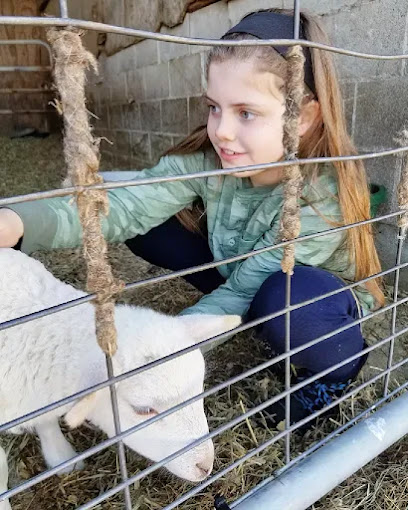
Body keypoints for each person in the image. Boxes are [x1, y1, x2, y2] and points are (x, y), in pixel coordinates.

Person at [0, 8, 384, 429]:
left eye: (246, 112)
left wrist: (155, 354)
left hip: (304, 297)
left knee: (287, 302)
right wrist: (17, 221)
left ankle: (333, 371)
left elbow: (248, 287)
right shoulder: (211, 159)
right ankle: (257, 324)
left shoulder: (320, 195)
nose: (220, 130)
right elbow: (128, 203)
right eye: (214, 107)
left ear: (305, 118)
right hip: (240, 268)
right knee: (145, 223)